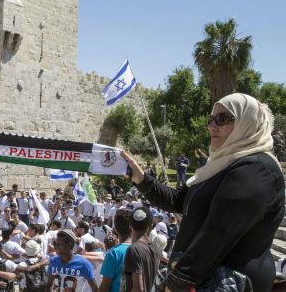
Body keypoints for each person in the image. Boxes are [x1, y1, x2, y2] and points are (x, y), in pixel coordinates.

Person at [122, 93, 285, 292]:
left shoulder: (258, 170)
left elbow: (217, 234)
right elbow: (177, 200)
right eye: (211, 119)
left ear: (248, 123)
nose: (211, 125)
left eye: (223, 118)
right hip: (202, 278)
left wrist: (176, 283)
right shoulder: (219, 165)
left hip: (230, 282)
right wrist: (141, 178)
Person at [121, 207, 160, 292]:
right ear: (150, 226)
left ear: (130, 225)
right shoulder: (156, 248)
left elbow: (138, 289)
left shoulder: (134, 250)